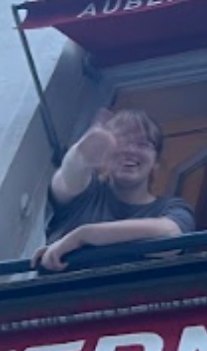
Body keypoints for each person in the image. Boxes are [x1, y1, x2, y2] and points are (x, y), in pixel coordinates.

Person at [32, 109, 196, 273]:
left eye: (143, 144)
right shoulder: (86, 193)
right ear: (105, 153)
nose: (130, 150)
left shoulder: (172, 208)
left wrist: (83, 235)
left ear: (156, 162)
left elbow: (170, 237)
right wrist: (81, 155)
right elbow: (69, 177)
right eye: (121, 142)